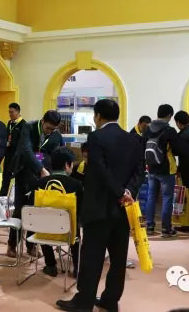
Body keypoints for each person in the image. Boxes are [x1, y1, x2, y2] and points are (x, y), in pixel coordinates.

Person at [56, 99, 144, 312]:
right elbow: (139, 172)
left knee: (92, 257)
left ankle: (84, 301)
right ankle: (110, 300)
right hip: (123, 209)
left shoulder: (96, 137)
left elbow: (100, 169)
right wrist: (127, 192)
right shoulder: (133, 139)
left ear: (98, 116)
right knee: (118, 259)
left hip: (98, 208)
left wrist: (118, 192)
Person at [6, 110, 62, 258]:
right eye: (48, 128)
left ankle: (31, 244)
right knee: (20, 209)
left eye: (53, 129)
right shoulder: (29, 127)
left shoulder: (55, 134)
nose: (49, 131)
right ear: (43, 121)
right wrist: (40, 169)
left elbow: (58, 152)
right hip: (25, 172)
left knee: (37, 209)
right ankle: (12, 244)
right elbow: (26, 150)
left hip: (43, 175)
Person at [28, 146, 82, 278]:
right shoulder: (76, 185)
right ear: (67, 165)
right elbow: (81, 210)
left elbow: (31, 208)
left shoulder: (38, 184)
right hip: (68, 234)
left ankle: (50, 265)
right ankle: (77, 268)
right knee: (75, 225)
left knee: (43, 222)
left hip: (44, 234)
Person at [144, 104, 184, 238]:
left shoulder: (148, 129)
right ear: (169, 115)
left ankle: (150, 226)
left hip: (151, 167)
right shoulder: (169, 130)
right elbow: (177, 149)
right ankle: (166, 228)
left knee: (151, 197)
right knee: (167, 197)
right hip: (166, 168)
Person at [0, 103, 26, 197]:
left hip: (17, 156)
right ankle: (2, 198)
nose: (10, 114)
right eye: (9, 112)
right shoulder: (9, 123)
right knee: (5, 179)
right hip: (8, 155)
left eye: (12, 112)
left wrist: (12, 143)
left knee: (18, 179)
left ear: (18, 112)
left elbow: (22, 142)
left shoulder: (23, 125)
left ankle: (18, 199)